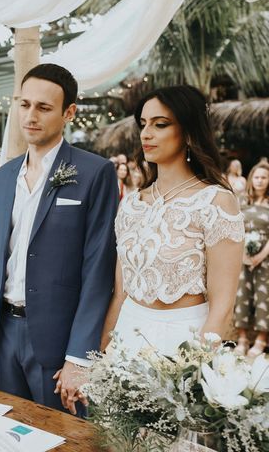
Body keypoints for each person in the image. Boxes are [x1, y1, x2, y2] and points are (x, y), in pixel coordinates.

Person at [0, 64, 118, 415]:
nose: (30, 116)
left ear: (69, 113)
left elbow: (98, 268)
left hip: (58, 342)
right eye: (24, 105)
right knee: (8, 433)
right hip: (4, 335)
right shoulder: (4, 176)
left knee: (61, 440)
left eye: (44, 107)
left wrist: (78, 356)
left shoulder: (95, 172)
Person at [102, 85, 245, 358]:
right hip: (125, 340)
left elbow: (222, 307)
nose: (146, 133)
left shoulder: (215, 202)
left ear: (189, 132)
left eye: (160, 124)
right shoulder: (131, 203)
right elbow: (120, 294)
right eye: (143, 124)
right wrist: (99, 355)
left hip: (182, 345)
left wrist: (193, 371)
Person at [233, 162, 269, 358]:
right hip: (243, 254)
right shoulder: (242, 200)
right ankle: (242, 338)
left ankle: (261, 340)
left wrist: (262, 255)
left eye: (264, 177)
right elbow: (235, 227)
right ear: (251, 179)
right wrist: (244, 253)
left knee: (264, 296)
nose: (260, 180)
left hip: (266, 256)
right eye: (257, 177)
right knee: (242, 294)